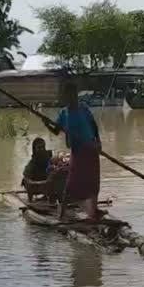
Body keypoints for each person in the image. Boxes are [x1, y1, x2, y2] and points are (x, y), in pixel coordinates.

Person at [44, 83, 102, 220]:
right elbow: (57, 130)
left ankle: (93, 211)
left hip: (90, 149)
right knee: (72, 183)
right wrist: (47, 124)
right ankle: (62, 215)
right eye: (68, 95)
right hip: (77, 152)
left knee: (93, 183)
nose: (71, 98)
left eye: (73, 95)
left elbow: (93, 125)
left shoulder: (83, 108)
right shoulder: (64, 113)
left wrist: (98, 142)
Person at [21, 137, 65, 203]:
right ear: (34, 149)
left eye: (43, 147)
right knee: (27, 182)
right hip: (36, 184)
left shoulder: (48, 157)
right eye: (39, 148)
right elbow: (26, 178)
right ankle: (31, 201)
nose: (41, 149)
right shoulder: (32, 162)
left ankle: (58, 202)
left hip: (48, 183)